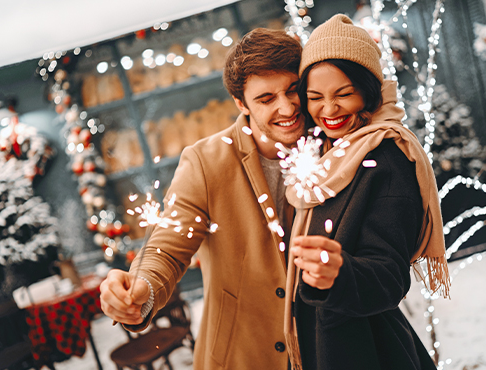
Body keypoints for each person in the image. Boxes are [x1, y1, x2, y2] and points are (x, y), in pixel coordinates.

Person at [100, 28, 307, 369]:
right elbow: (167, 245)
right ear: (241, 104)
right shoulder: (206, 161)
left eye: (293, 90)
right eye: (266, 99)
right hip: (242, 353)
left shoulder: (334, 142)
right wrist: (143, 291)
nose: (287, 107)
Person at [282, 14, 451, 370]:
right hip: (322, 341)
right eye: (315, 98)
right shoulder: (325, 153)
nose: (328, 110)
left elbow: (389, 275)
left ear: (368, 91)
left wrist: (339, 274)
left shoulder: (387, 158)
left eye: (344, 94)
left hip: (365, 349)